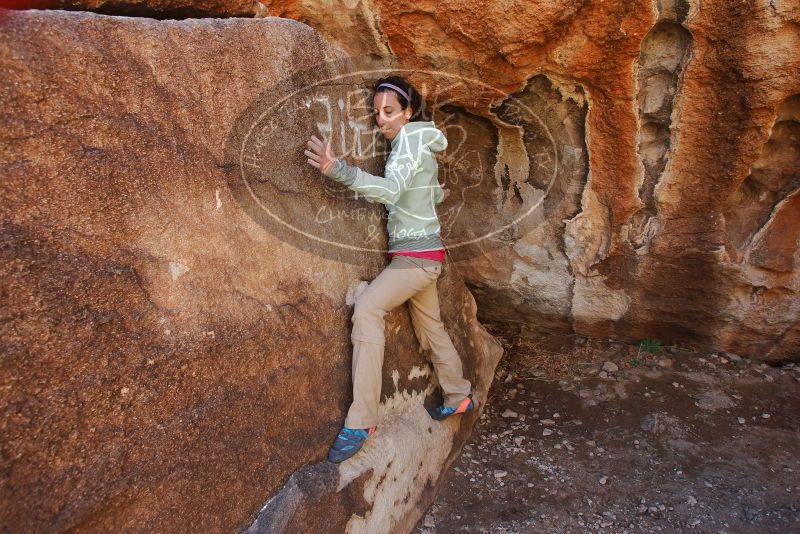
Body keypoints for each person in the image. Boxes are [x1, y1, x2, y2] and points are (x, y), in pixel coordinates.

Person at [305, 75, 474, 464]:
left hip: (415, 259)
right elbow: (428, 191)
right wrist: (432, 195)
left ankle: (362, 420)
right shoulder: (417, 142)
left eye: (390, 112)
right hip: (424, 256)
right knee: (431, 329)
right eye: (377, 113)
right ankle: (458, 394)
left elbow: (393, 190)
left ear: (408, 111)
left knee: (367, 309)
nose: (382, 120)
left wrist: (338, 170)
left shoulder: (409, 141)